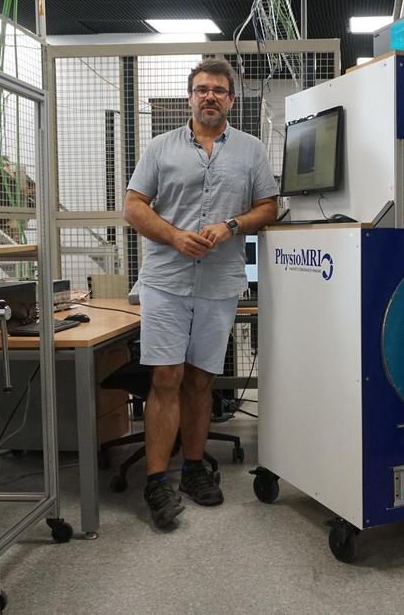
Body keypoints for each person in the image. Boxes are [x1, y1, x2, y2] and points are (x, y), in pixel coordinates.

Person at [123, 59, 279, 530]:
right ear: (190, 97)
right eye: (201, 89)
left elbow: (268, 206)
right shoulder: (159, 148)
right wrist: (173, 236)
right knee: (166, 377)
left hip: (219, 283)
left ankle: (193, 469)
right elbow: (133, 205)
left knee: (201, 379)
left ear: (232, 99)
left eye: (218, 90)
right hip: (166, 281)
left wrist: (231, 225)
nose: (209, 96)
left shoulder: (250, 151)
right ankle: (156, 482)